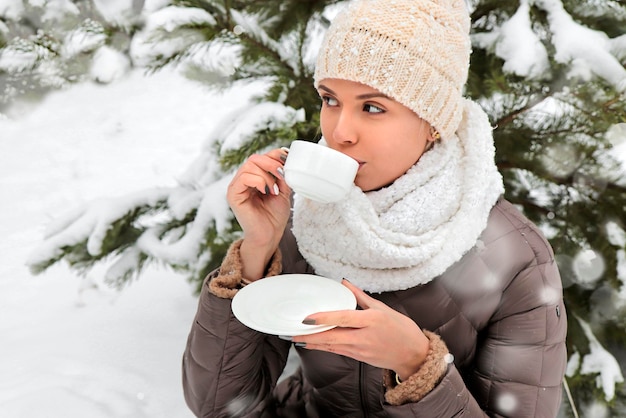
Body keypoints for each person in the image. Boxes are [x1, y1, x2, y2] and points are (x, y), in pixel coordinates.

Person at [182, 0, 568, 416]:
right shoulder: (308, 221)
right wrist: (257, 251)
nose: (339, 132)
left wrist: (419, 365)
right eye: (330, 100)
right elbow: (220, 408)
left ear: (433, 119)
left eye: (372, 107)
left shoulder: (515, 259)